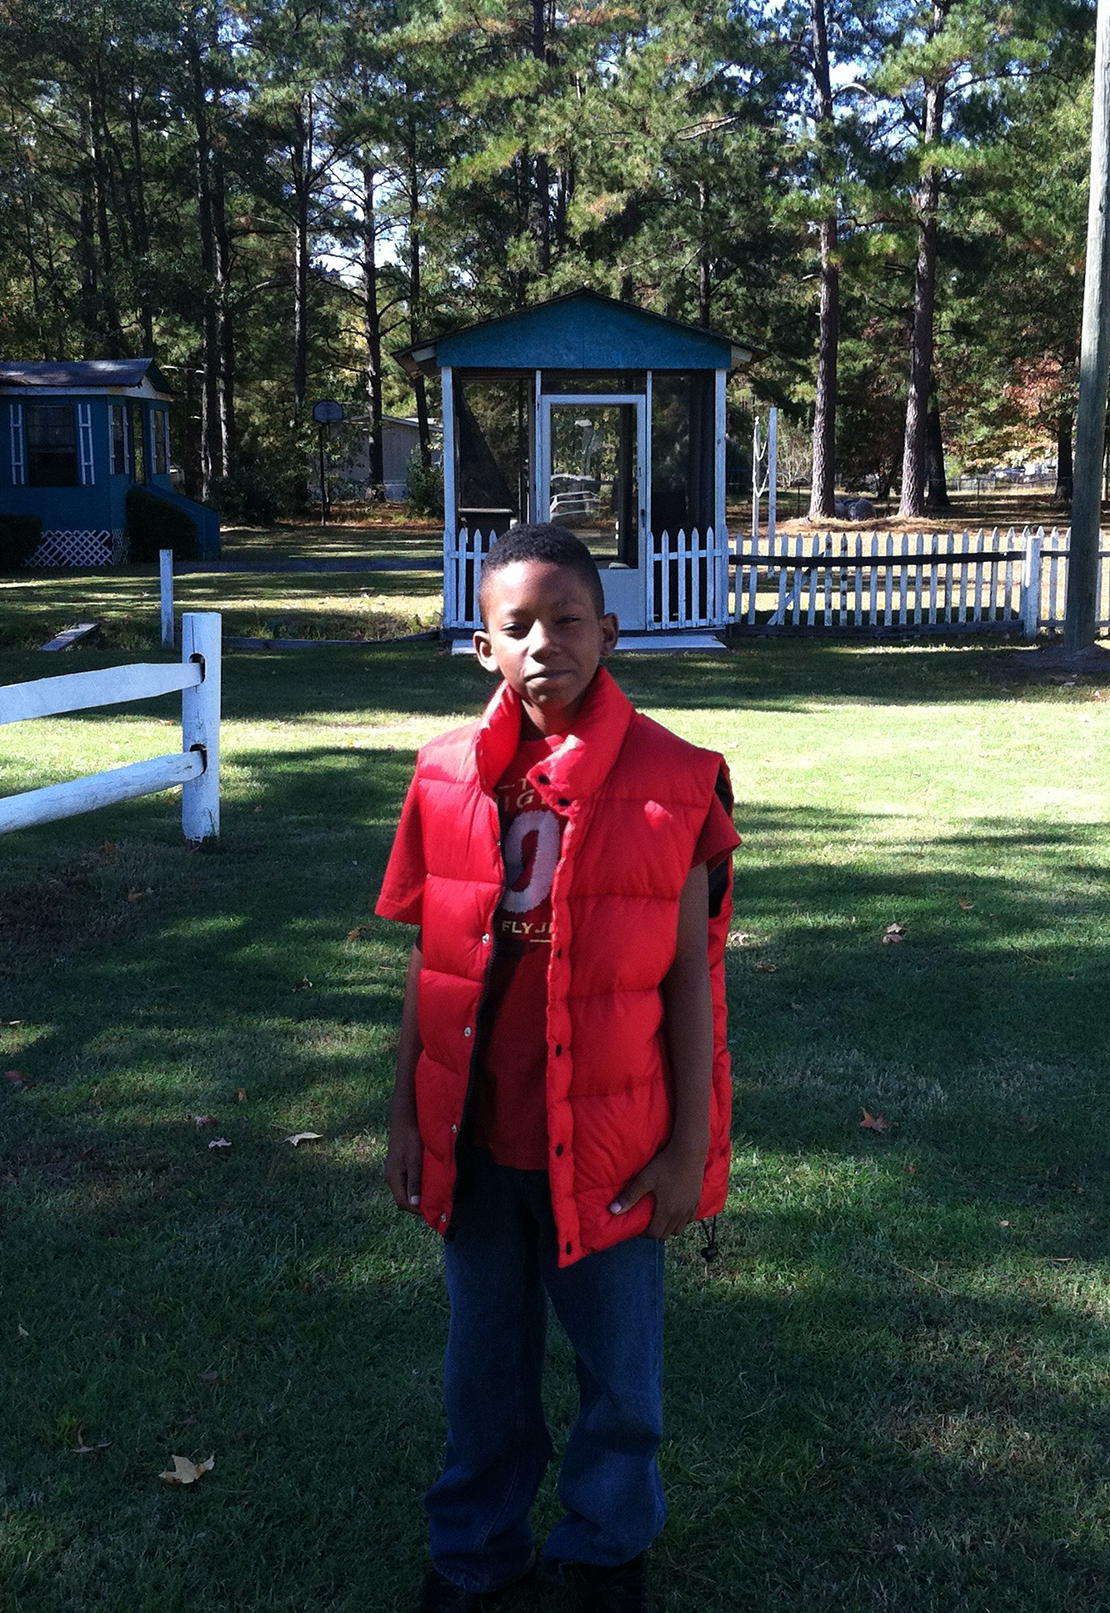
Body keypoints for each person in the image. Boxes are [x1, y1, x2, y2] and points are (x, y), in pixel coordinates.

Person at [376, 522, 739, 1613]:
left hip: (615, 1147)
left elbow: (692, 982)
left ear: (610, 632)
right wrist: (404, 1115)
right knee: (481, 1367)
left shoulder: (677, 780)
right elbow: (431, 963)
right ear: (482, 646)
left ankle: (603, 1552)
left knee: (619, 1373)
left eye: (568, 618)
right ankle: (475, 1552)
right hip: (479, 1138)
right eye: (518, 624)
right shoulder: (443, 774)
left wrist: (687, 1145)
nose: (546, 642)